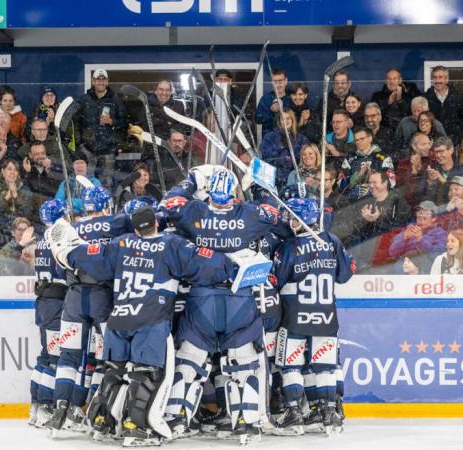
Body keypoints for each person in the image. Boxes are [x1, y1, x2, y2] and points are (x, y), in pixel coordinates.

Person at [47, 204, 236, 446]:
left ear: (135, 228)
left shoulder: (121, 243)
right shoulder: (171, 244)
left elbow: (89, 257)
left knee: (114, 372)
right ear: (156, 223)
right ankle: (136, 428)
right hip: (150, 320)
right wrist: (233, 263)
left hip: (119, 319)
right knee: (145, 375)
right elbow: (204, 263)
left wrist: (66, 251)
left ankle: (102, 423)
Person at [160, 167, 289, 440]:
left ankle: (177, 419)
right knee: (243, 363)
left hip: (201, 298)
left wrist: (191, 180)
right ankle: (247, 421)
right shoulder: (247, 216)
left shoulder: (196, 211)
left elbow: (169, 204)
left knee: (190, 361)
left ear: (209, 192)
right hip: (239, 298)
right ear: (232, 193)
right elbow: (273, 210)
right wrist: (258, 185)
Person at [47, 186, 132, 434]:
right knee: (106, 358)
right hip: (102, 298)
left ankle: (60, 408)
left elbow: (59, 267)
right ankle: (98, 415)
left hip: (73, 299)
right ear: (106, 205)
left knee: (68, 356)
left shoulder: (71, 228)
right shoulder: (117, 221)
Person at [271, 197, 354, 435]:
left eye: (293, 217)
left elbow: (276, 280)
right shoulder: (332, 241)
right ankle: (329, 413)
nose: (289, 221)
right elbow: (345, 275)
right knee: (325, 367)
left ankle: (294, 413)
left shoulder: (289, 246)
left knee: (290, 366)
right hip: (326, 315)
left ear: (303, 219)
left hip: (296, 315)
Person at [29, 200, 68, 428]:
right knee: (53, 358)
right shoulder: (57, 239)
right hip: (54, 303)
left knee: (45, 355)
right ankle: (44, 407)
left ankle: (35, 406)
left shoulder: (43, 240)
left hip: (44, 302)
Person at [75, 68, 127, 189]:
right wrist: (80, 144)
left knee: (106, 184)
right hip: (88, 151)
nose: (101, 82)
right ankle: (87, 207)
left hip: (108, 151)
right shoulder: (84, 100)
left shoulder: (115, 100)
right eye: (98, 79)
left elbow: (125, 123)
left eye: (103, 79)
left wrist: (112, 122)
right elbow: (75, 123)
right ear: (93, 81)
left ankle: (105, 207)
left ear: (107, 82)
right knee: (86, 183)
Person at [388, 200, 447, 275]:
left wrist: (420, 239)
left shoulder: (440, 233)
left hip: (425, 273)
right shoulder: (409, 230)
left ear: (434, 218)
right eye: (419, 218)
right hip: (403, 271)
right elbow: (392, 252)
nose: (420, 222)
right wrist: (404, 237)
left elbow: (437, 256)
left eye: (424, 218)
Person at [340, 127, 394, 203]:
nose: (359, 142)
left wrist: (373, 175)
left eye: (362, 139)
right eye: (357, 140)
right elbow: (340, 183)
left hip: (378, 201)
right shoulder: (350, 158)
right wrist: (358, 175)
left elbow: (391, 182)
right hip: (352, 203)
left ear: (370, 138)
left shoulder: (383, 157)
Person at [0, 159, 36, 240]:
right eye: (9, 169)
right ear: (3, 171)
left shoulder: (25, 190)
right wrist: (6, 197)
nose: (13, 172)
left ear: (18, 174)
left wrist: (16, 196)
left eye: (16, 170)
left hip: (20, 232)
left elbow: (27, 214)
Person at [260, 110, 309, 188]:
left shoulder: (302, 138)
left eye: (288, 118)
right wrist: (283, 158)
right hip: (274, 178)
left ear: (293, 120)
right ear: (279, 121)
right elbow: (267, 157)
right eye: (283, 119)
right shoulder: (270, 137)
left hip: (295, 179)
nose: (286, 121)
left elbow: (304, 159)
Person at [393, 96, 446, 163]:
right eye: (414, 110)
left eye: (419, 111)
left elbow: (445, 146)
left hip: (433, 160)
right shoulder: (405, 122)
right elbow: (397, 143)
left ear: (427, 111)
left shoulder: (436, 124)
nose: (416, 113)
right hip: (408, 158)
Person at [424, 65, 463, 144]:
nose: (437, 80)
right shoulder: (425, 98)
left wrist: (457, 137)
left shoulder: (458, 98)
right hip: (431, 142)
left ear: (446, 79)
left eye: (440, 77)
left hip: (453, 142)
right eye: (435, 77)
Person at [424, 137, 463, 206]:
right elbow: (426, 198)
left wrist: (441, 179)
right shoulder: (432, 170)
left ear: (451, 150)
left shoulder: (462, 170)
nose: (438, 155)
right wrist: (430, 183)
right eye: (436, 152)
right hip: (437, 211)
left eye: (441, 151)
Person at [54, 151, 101, 216]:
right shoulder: (65, 183)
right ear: (73, 166)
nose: (79, 166)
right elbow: (57, 202)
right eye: (77, 163)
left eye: (82, 163)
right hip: (69, 218)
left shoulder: (95, 182)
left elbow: (93, 203)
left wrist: (71, 202)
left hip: (89, 218)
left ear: (86, 165)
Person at [396, 132, 432, 209]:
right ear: (414, 146)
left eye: (429, 144)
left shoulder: (432, 159)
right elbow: (404, 190)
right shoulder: (404, 164)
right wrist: (413, 171)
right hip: (411, 206)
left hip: (430, 202)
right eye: (423, 144)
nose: (428, 147)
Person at [256, 68, 292, 136]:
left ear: (286, 81)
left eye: (280, 81)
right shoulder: (266, 99)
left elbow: (296, 118)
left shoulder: (292, 98)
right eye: (275, 81)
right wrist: (271, 111)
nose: (278, 85)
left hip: (289, 139)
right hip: (270, 140)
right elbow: (258, 119)